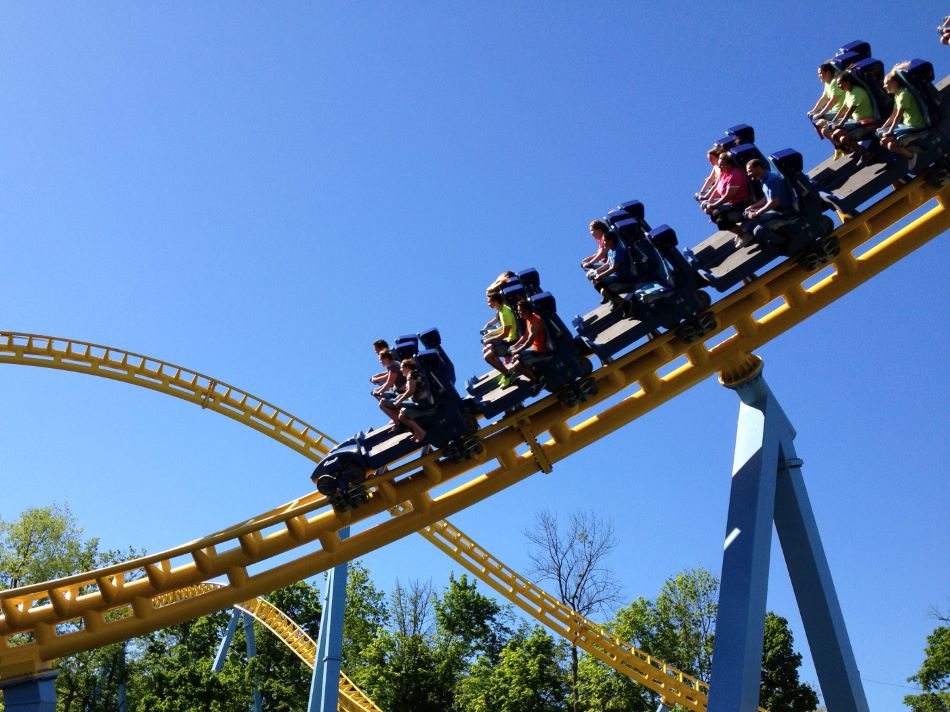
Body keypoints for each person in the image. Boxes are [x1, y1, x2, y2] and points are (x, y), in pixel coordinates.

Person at [876, 64, 928, 170]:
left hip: (916, 127)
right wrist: (883, 128)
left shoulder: (904, 95)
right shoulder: (897, 94)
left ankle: (911, 156)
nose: (884, 86)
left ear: (895, 82)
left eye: (887, 83)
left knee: (890, 144)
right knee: (882, 139)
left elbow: (898, 117)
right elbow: (893, 115)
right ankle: (905, 149)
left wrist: (889, 132)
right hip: (907, 125)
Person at [734, 158, 797, 247]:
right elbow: (766, 198)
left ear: (759, 168)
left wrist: (757, 213)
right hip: (776, 211)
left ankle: (785, 243)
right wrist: (753, 206)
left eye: (750, 171)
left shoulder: (771, 180)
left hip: (785, 213)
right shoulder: (763, 180)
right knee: (747, 223)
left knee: (759, 231)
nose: (748, 174)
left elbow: (773, 202)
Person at [821, 71, 878, 159]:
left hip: (867, 124)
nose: (839, 86)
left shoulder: (857, 92)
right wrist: (833, 121)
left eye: (840, 84)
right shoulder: (848, 93)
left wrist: (839, 124)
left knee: (843, 138)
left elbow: (849, 111)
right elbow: (843, 109)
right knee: (835, 135)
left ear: (847, 82)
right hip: (857, 123)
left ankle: (866, 154)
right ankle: (857, 148)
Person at [379, 359, 431, 443]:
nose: (400, 370)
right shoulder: (413, 373)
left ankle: (421, 432)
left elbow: (411, 391)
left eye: (402, 368)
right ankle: (417, 433)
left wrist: (399, 400)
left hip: (422, 403)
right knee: (400, 410)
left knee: (402, 415)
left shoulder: (411, 375)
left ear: (407, 367)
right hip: (419, 400)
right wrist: (400, 397)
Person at [701, 151, 751, 238]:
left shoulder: (735, 175)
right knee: (714, 216)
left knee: (721, 220)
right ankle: (740, 232)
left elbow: (728, 196)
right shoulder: (723, 174)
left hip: (741, 204)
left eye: (722, 165)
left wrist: (714, 205)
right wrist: (709, 201)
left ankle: (745, 235)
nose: (719, 167)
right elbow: (717, 189)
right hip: (731, 204)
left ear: (729, 164)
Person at [586, 231, 636, 312]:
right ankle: (617, 300)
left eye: (605, 241)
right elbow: (607, 264)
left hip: (623, 277)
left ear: (611, 240)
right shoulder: (610, 251)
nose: (603, 243)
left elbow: (613, 268)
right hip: (615, 275)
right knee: (597, 284)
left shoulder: (618, 251)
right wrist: (596, 271)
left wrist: (601, 275)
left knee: (599, 283)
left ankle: (625, 304)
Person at [481, 292, 518, 387]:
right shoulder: (501, 310)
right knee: (485, 349)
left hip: (511, 342)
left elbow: (505, 333)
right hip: (506, 339)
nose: (488, 304)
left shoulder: (505, 312)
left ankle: (508, 374)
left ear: (495, 301)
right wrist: (489, 334)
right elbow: (503, 328)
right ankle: (505, 371)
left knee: (488, 357)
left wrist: (490, 339)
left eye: (490, 302)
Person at [509, 299, 548, 390]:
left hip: (540, 351)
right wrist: (515, 346)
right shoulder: (528, 319)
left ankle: (538, 381)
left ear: (526, 311)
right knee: (515, 356)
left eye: (520, 311)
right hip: (533, 348)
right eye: (518, 311)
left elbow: (528, 342)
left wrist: (517, 351)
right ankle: (531, 371)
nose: (519, 313)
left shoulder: (535, 323)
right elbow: (525, 336)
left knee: (517, 365)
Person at [807, 62, 846, 134]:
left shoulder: (835, 82)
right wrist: (813, 111)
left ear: (828, 73)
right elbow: (824, 98)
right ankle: (839, 144)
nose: (819, 76)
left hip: (842, 111)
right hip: (835, 111)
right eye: (818, 74)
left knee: (824, 128)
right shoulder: (827, 84)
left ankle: (840, 140)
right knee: (818, 126)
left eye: (821, 73)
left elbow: (833, 100)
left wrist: (820, 114)